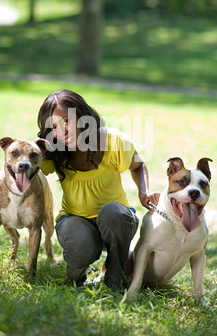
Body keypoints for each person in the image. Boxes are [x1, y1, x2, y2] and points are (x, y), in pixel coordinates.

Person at [37, 89, 159, 290]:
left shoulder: (112, 140)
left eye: (67, 120)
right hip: (75, 219)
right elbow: (28, 171)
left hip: (116, 220)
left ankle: (115, 281)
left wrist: (143, 192)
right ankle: (74, 277)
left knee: (114, 213)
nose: (63, 131)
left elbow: (137, 165)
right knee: (81, 245)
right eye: (54, 127)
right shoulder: (55, 151)